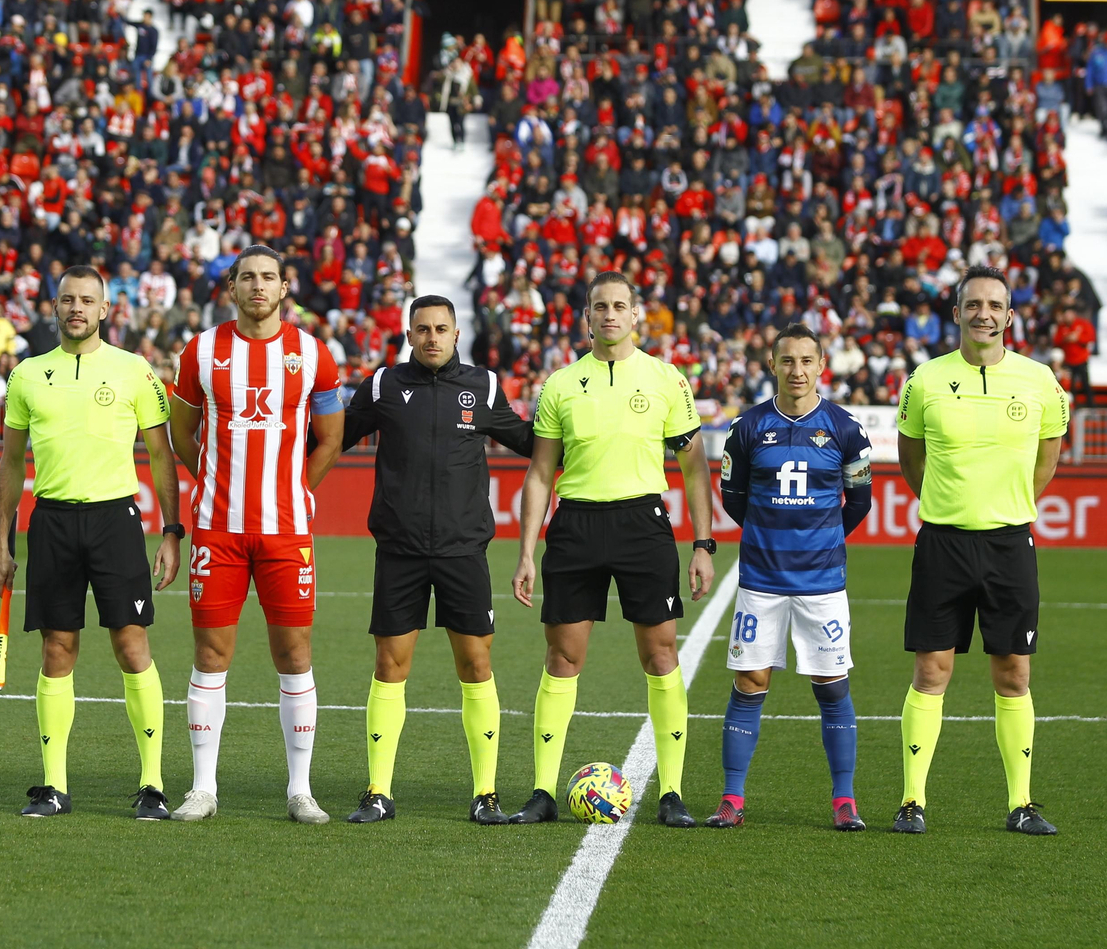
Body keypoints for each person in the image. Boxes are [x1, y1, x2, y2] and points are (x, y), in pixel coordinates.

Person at [509, 271, 716, 827]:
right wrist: (526, 551)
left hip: (643, 523)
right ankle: (543, 792)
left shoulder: (667, 379)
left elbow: (694, 469)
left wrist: (703, 543)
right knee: (562, 658)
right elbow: (539, 474)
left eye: (619, 306)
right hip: (575, 526)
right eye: (599, 306)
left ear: (634, 315)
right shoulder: (559, 384)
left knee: (661, 655)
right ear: (586, 316)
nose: (609, 315)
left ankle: (671, 793)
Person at [0, 265, 183, 820]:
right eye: (67, 299)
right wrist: (1, 542)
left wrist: (172, 531)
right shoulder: (26, 375)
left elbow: (161, 457)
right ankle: (53, 786)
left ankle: (152, 785)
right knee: (57, 650)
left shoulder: (134, 371)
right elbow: (9, 465)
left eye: (87, 300)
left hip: (116, 522)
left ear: (105, 309)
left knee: (132, 646)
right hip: (50, 522)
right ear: (54, 307)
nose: (77, 308)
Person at [338, 295, 534, 825]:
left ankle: (486, 794)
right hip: (398, 551)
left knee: (476, 666)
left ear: (456, 334)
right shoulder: (382, 385)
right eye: (422, 329)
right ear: (408, 333)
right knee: (389, 666)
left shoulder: (484, 386)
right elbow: (331, 437)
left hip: (463, 551)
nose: (431, 337)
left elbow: (530, 441)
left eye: (441, 329)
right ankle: (379, 791)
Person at [167, 245, 346, 824]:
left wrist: (298, 489)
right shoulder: (201, 351)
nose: (259, 286)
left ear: (285, 287)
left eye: (269, 277)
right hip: (217, 529)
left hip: (285, 530)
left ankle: (300, 790)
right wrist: (217, 481)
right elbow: (182, 433)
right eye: (248, 277)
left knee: (294, 655)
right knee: (211, 654)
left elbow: (330, 439)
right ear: (232, 287)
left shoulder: (312, 353)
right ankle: (202, 788)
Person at [893, 265, 1069, 835]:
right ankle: (912, 801)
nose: (984, 314)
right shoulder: (924, 380)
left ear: (1010, 315)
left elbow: (1048, 457)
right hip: (942, 542)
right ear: (958, 314)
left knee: (1014, 674)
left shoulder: (1041, 381)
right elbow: (910, 457)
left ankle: (1020, 803)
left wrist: (1009, 505)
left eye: (995, 305)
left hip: (1009, 544)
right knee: (931, 669)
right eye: (973, 305)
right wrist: (948, 504)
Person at [709, 324, 873, 831]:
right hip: (761, 579)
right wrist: (770, 533)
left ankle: (844, 800)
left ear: (821, 364)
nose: (797, 370)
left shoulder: (847, 429)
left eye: (806, 361)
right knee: (750, 681)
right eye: (787, 361)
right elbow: (733, 497)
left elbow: (859, 500)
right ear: (773, 365)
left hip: (822, 584)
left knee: (831, 684)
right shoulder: (748, 427)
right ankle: (732, 798)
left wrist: (820, 538)